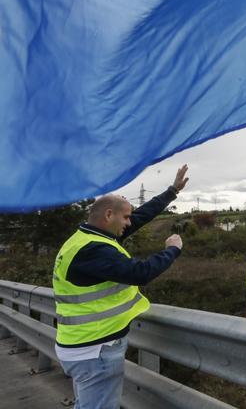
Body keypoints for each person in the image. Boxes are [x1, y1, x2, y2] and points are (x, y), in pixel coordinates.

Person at [52, 165, 190, 409]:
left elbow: (140, 217)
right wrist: (172, 249)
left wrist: (172, 191)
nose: (129, 222)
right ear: (108, 215)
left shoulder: (86, 238)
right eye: (125, 217)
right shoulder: (93, 250)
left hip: (84, 346)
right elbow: (140, 273)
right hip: (95, 349)